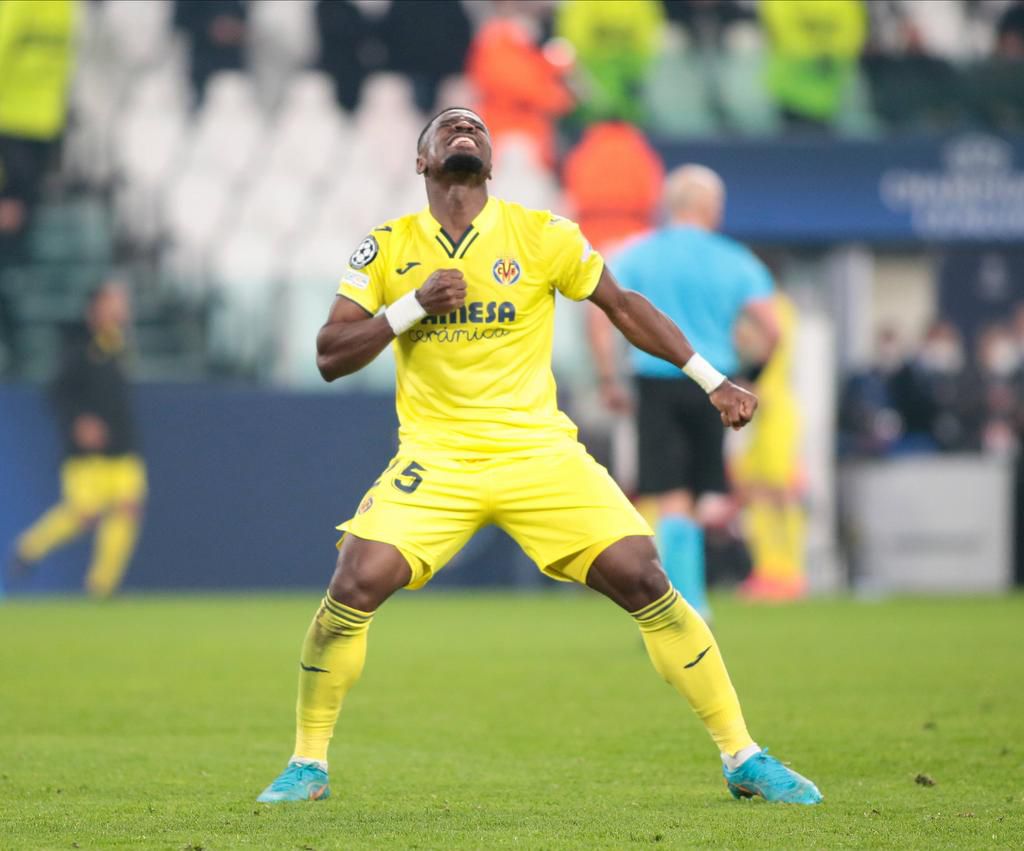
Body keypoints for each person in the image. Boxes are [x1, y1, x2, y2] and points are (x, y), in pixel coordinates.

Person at [255, 108, 820, 806]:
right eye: (448, 126)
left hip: (538, 452)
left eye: (477, 129)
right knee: (354, 579)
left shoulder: (541, 233)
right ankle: (308, 763)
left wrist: (712, 379)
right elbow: (329, 356)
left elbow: (623, 305)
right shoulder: (388, 247)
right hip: (438, 457)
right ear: (420, 160)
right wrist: (411, 307)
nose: (464, 130)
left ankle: (743, 755)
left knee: (644, 575)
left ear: (491, 164)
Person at [589, 165, 778, 619]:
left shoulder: (637, 254)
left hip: (655, 380)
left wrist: (609, 378)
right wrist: (751, 377)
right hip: (714, 381)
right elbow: (771, 328)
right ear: (711, 208)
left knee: (669, 494)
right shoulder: (735, 259)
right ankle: (691, 601)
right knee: (694, 493)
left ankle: (681, 602)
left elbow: (598, 315)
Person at [8, 282, 146, 597]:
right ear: (95, 308)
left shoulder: (119, 346)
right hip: (86, 455)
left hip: (122, 448)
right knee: (84, 514)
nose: (120, 309)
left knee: (127, 509)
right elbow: (56, 393)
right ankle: (29, 548)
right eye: (113, 302)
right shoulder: (78, 348)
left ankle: (101, 586)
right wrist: (79, 421)